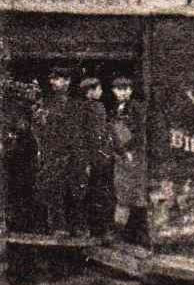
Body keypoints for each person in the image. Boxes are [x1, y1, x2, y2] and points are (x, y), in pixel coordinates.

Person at [33, 66, 90, 237]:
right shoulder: (44, 104)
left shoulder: (77, 104)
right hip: (54, 154)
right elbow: (37, 129)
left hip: (75, 154)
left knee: (77, 191)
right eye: (56, 78)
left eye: (63, 79)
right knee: (54, 189)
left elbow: (83, 130)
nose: (59, 82)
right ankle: (58, 226)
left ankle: (78, 227)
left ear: (69, 81)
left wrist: (84, 155)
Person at [108, 75, 148, 241]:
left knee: (138, 193)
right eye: (119, 89)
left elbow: (140, 132)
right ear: (114, 91)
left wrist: (129, 149)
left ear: (131, 91)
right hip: (121, 158)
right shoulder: (114, 110)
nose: (123, 93)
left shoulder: (137, 109)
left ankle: (141, 233)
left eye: (126, 89)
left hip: (135, 156)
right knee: (122, 193)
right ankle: (120, 233)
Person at [80, 75, 116, 237]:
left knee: (103, 192)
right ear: (90, 91)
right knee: (93, 193)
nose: (101, 92)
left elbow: (105, 131)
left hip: (103, 157)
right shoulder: (85, 109)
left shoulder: (100, 107)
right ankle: (92, 228)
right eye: (99, 89)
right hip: (93, 157)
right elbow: (86, 135)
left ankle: (102, 229)